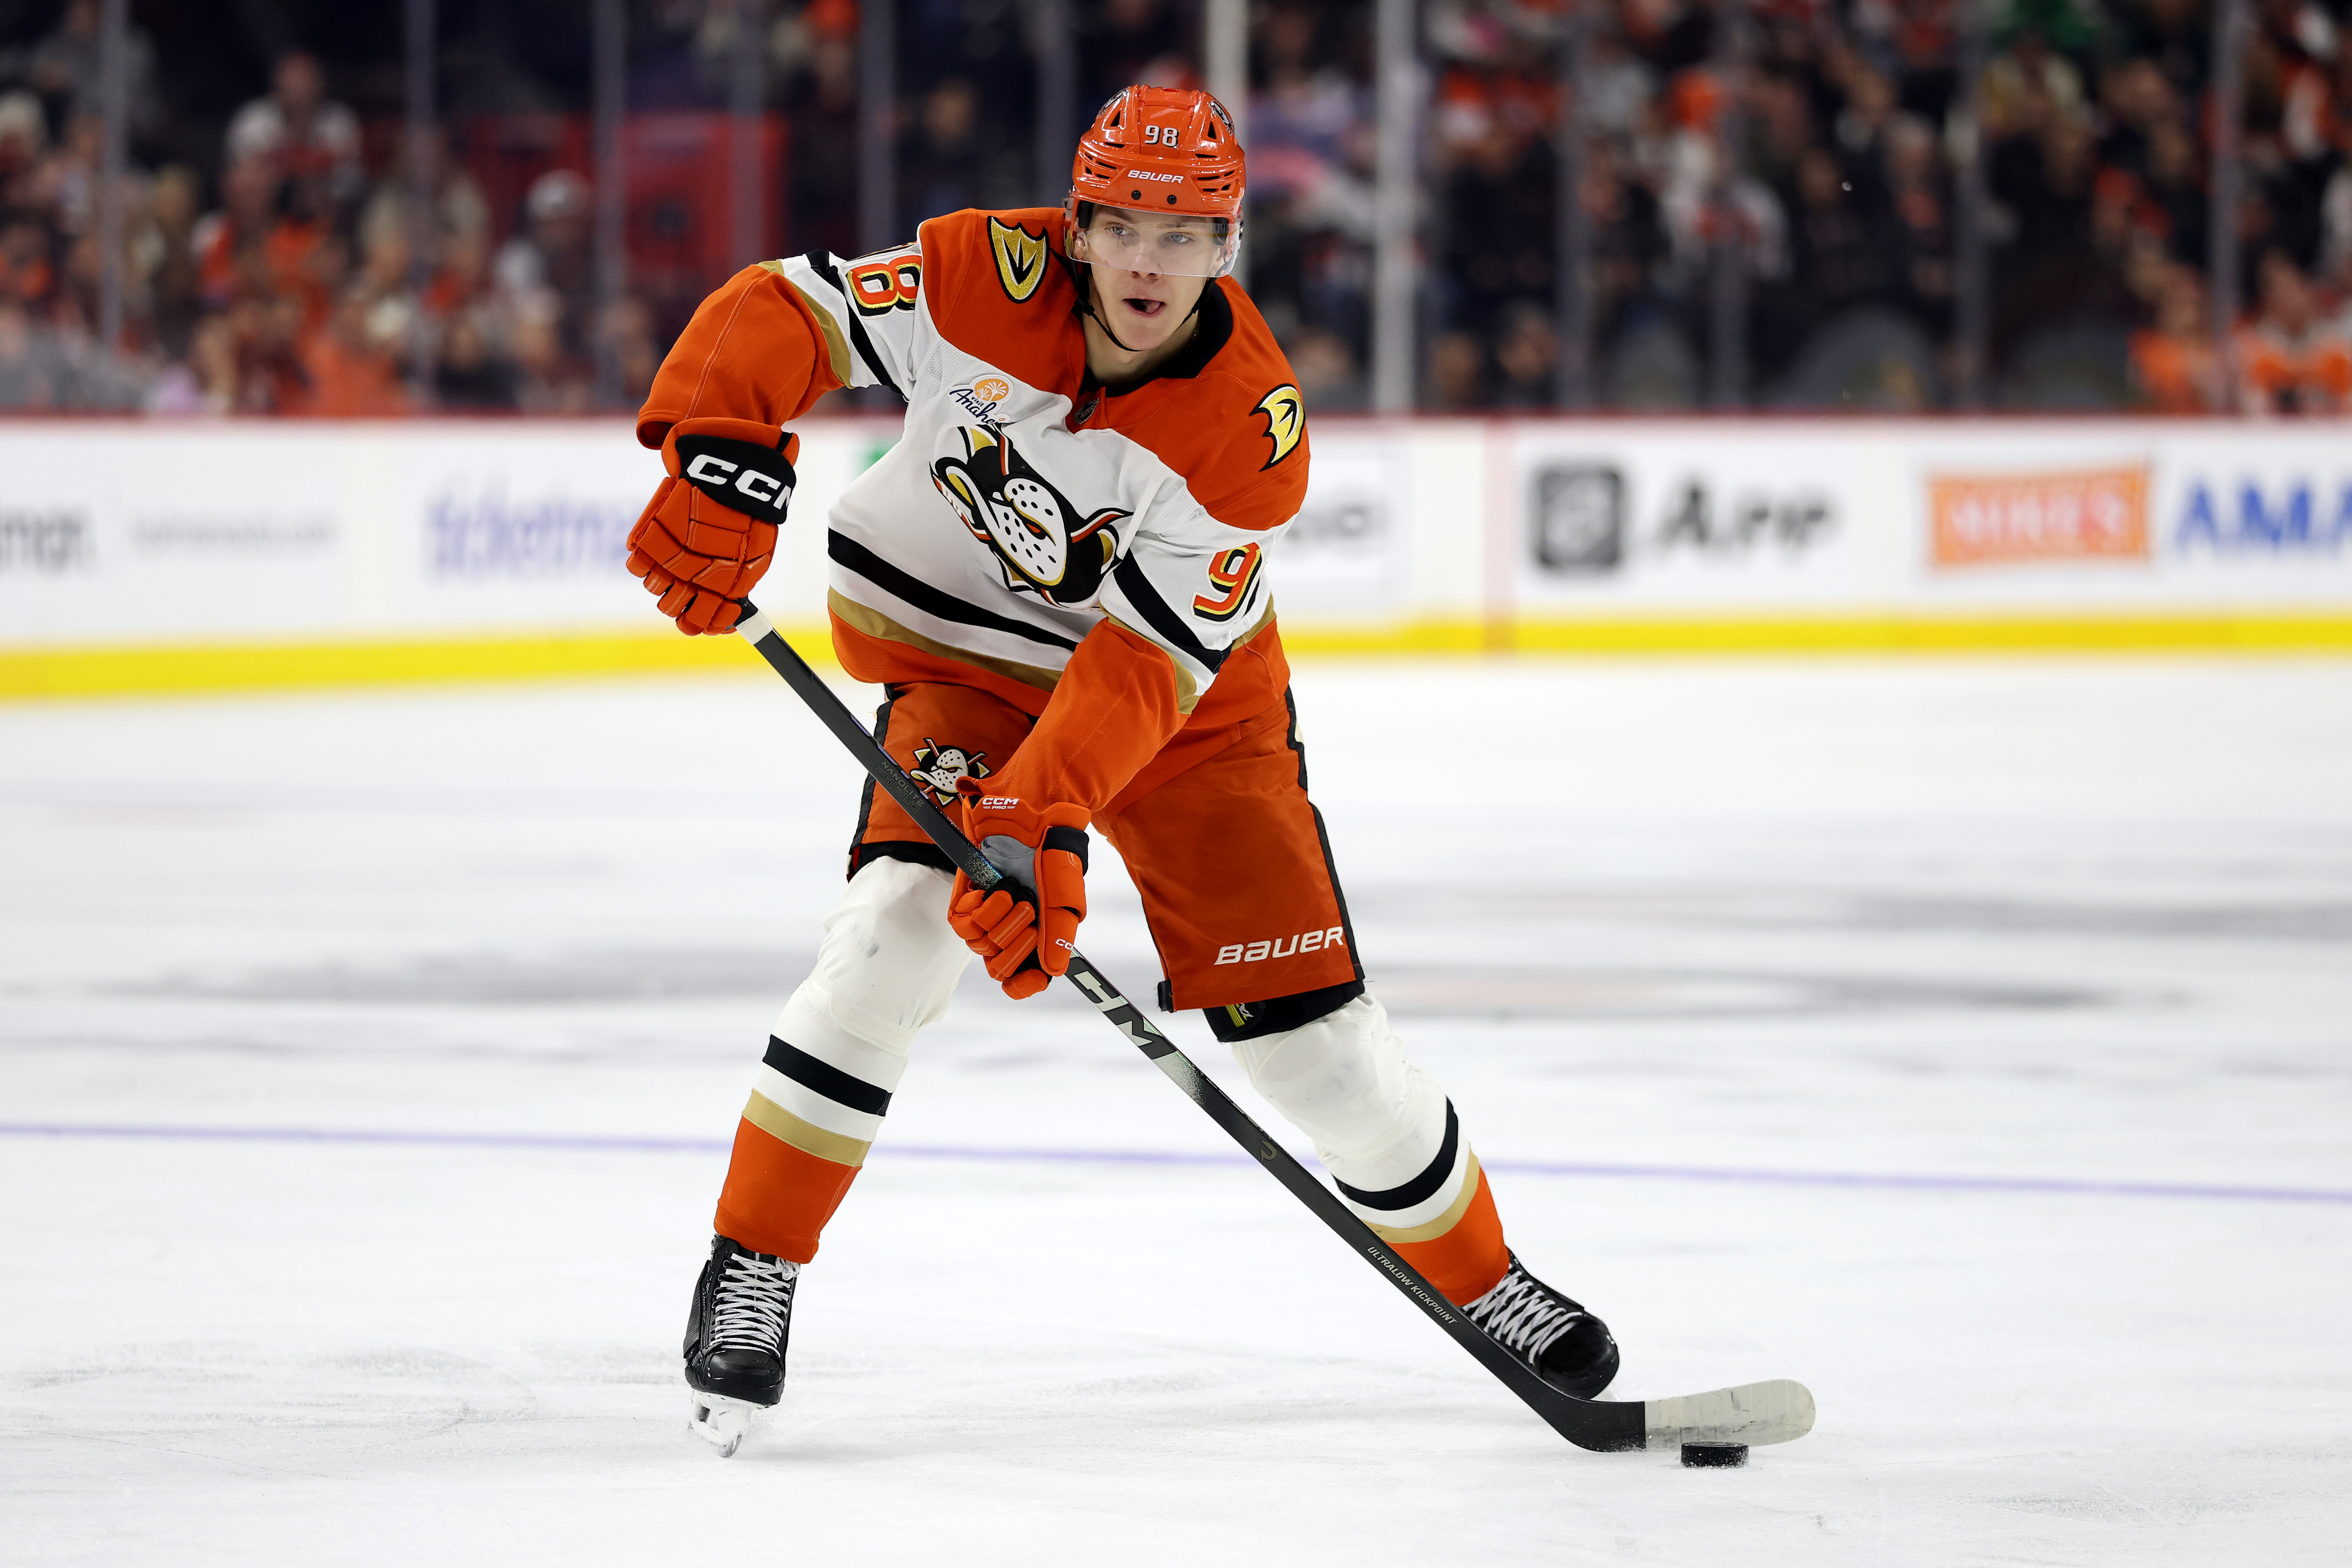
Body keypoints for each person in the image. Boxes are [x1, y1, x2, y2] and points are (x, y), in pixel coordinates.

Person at [621, 85, 1620, 1458]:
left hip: (1188, 710)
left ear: (1230, 247)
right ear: (1079, 228)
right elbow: (788, 307)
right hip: (970, 664)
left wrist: (1040, 819)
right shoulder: (979, 274)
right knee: (894, 933)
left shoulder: (1248, 431)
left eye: (1186, 232)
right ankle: (756, 1263)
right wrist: (720, 444)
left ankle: (1484, 1280)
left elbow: (1145, 669)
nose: (1150, 261)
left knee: (1317, 1047)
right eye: (1126, 226)